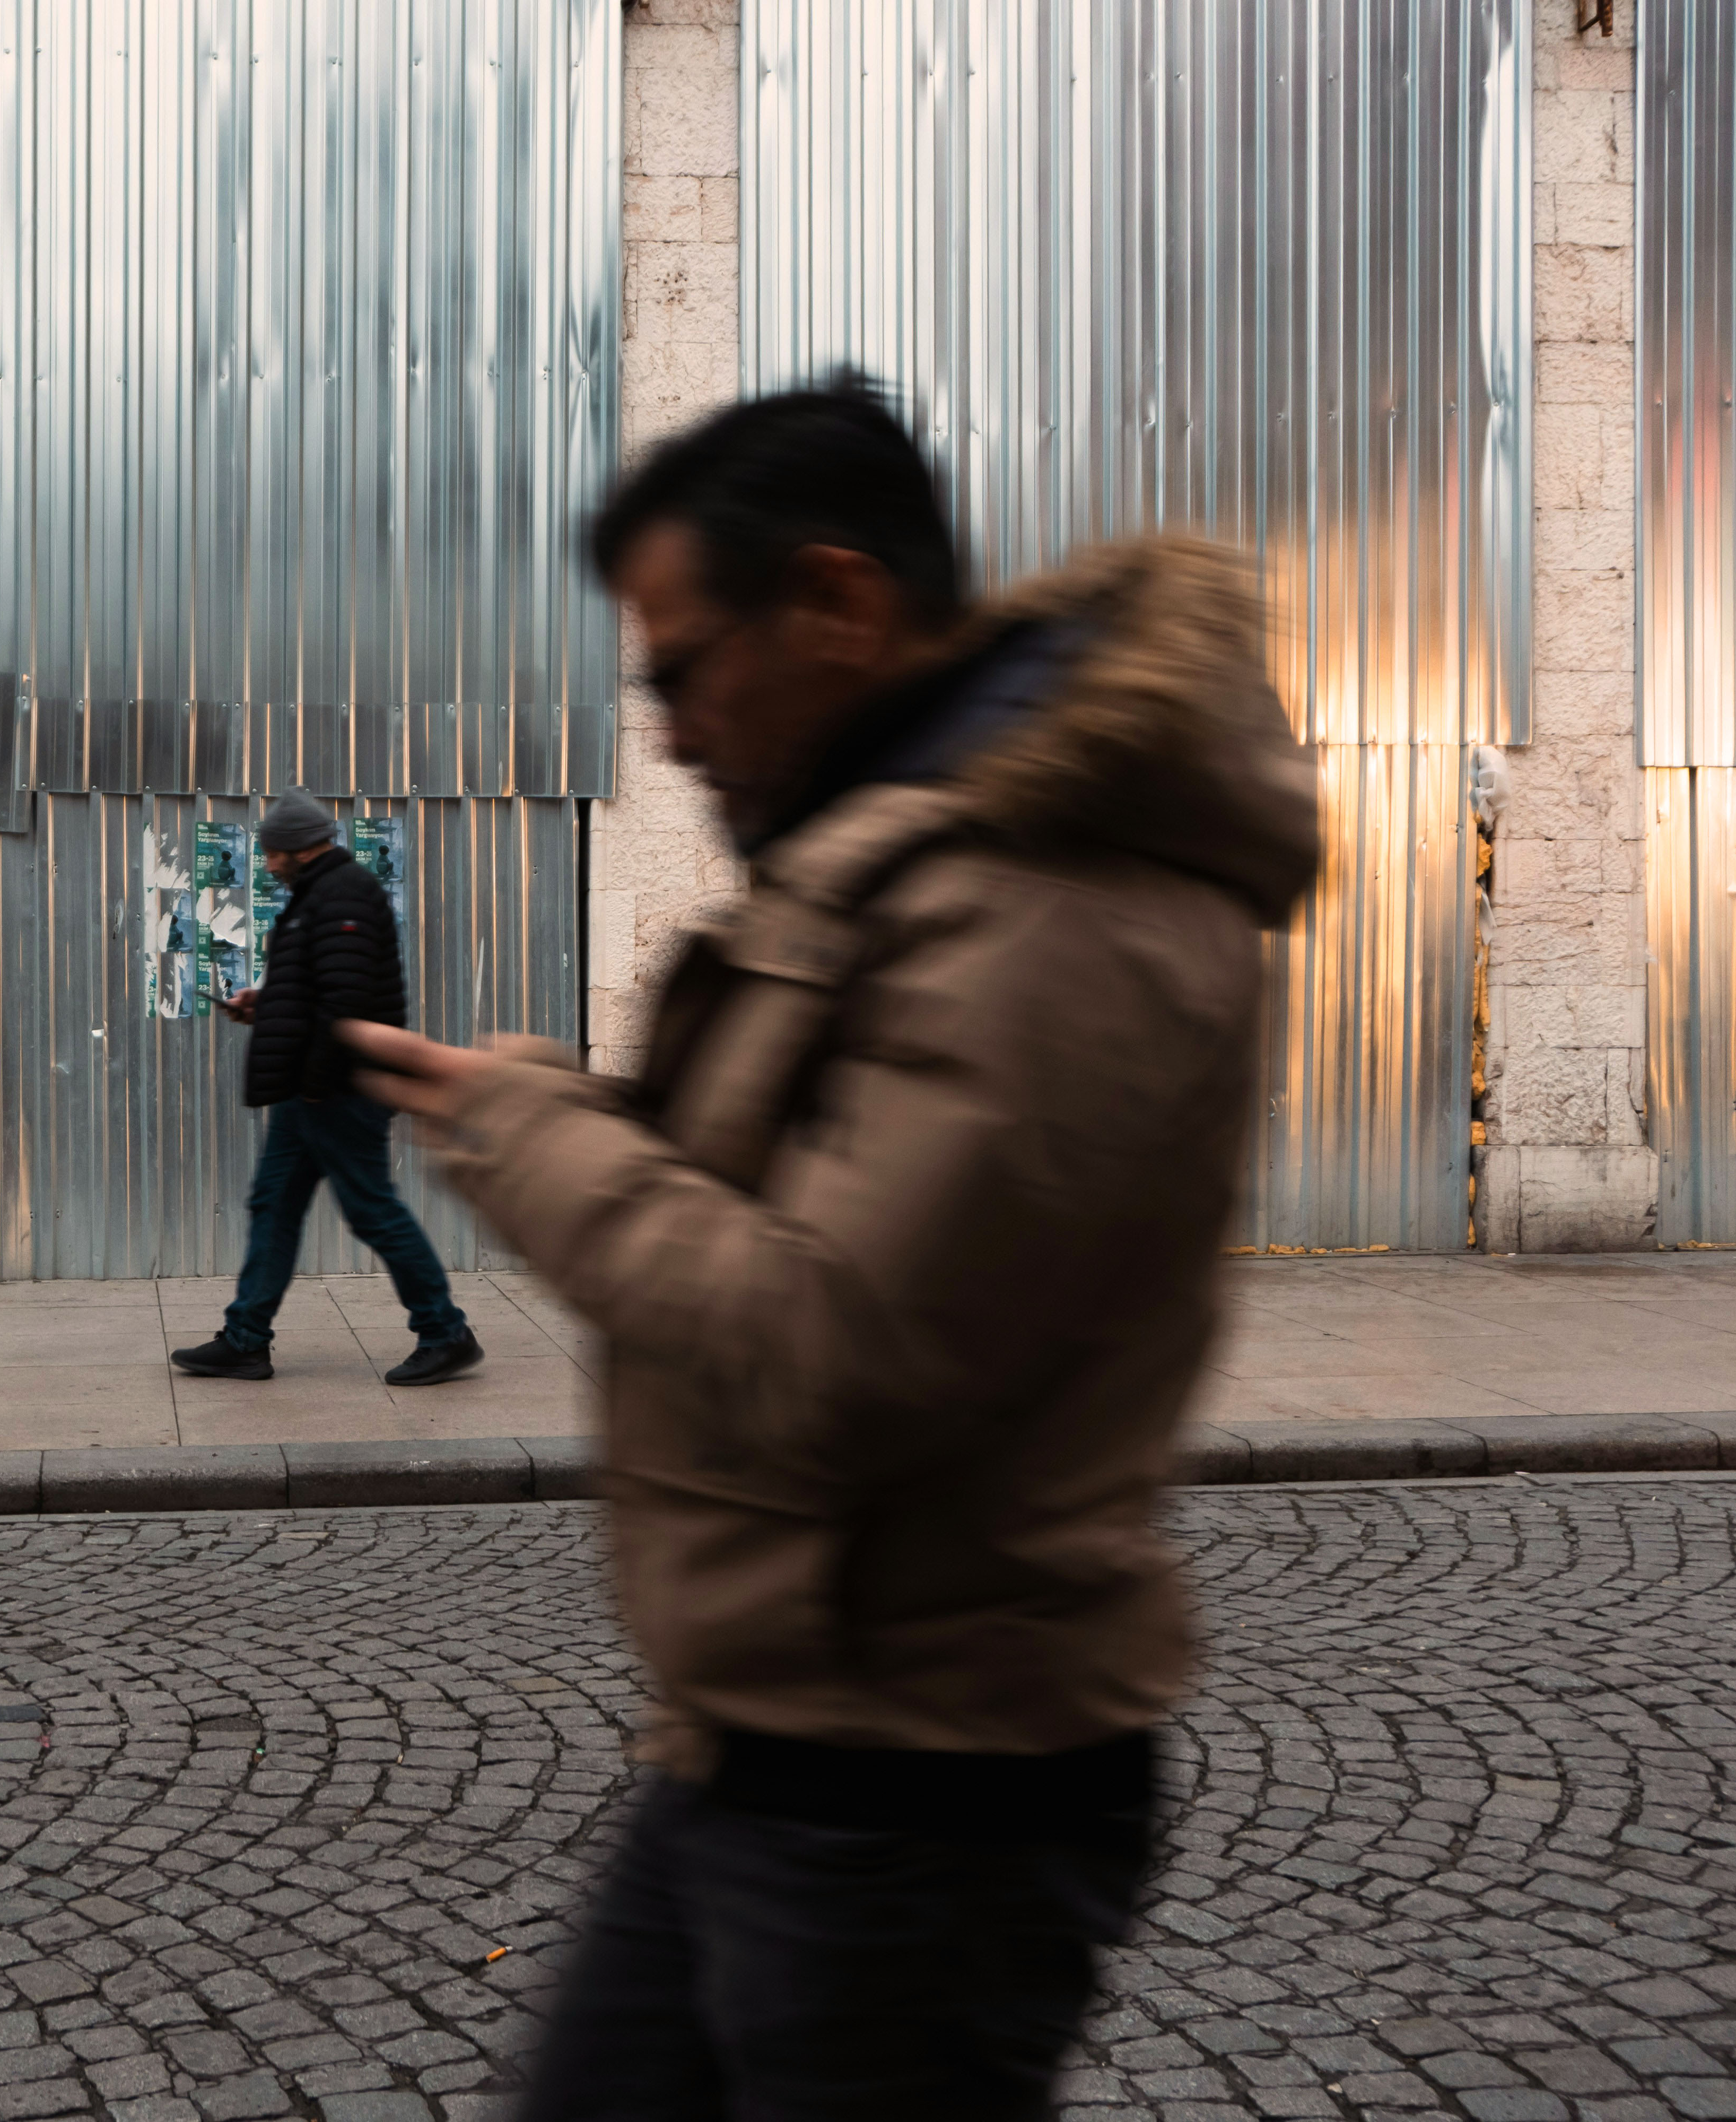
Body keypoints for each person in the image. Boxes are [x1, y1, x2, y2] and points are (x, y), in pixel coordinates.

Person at [339, 375, 1320, 2118]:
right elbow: (796, 1205)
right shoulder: (913, 851)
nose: (668, 729)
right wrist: (561, 1112)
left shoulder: (1052, 910)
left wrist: (529, 1133)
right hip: (776, 1739)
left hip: (928, 1803)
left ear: (840, 603)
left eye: (683, 666)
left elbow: (830, 1349)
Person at [169, 791, 485, 1388]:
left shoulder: (344, 895)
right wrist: (264, 1003)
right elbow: (319, 989)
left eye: (270, 854)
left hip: (338, 1088)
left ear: (296, 848)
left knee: (373, 1210)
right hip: (311, 1089)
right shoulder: (320, 896)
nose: (265, 865)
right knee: (275, 1205)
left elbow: (347, 1003)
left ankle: (446, 1332)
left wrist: (315, 1084)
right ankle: (245, 1340)